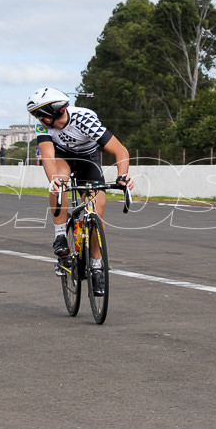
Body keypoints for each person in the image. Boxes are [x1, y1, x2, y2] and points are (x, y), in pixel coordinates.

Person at [26, 87, 134, 290]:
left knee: (97, 210)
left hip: (88, 160)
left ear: (53, 112)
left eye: (40, 114)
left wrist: (123, 175)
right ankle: (59, 234)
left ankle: (96, 265)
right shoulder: (43, 127)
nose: (37, 119)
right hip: (62, 158)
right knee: (58, 183)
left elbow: (120, 149)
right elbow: (48, 157)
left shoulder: (84, 119)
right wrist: (54, 181)